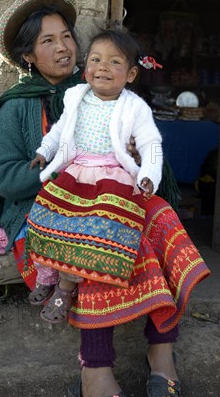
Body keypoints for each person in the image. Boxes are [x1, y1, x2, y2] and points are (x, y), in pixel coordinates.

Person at [0, 0, 210, 397]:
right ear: (28, 55)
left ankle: (162, 348)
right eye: (48, 41)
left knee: (160, 217)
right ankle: (95, 371)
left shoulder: (106, 93)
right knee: (103, 234)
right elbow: (4, 179)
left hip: (109, 196)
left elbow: (141, 151)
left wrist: (131, 165)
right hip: (42, 217)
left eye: (67, 37)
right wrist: (68, 173)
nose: (64, 48)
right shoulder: (15, 108)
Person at [26, 28, 163, 324]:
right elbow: (60, 130)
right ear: (86, 69)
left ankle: (66, 287)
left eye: (114, 62)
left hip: (112, 179)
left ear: (130, 75)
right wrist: (43, 150)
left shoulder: (135, 107)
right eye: (96, 59)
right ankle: (46, 274)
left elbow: (151, 144)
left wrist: (150, 174)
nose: (103, 67)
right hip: (75, 172)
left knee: (93, 229)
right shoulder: (76, 97)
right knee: (43, 217)